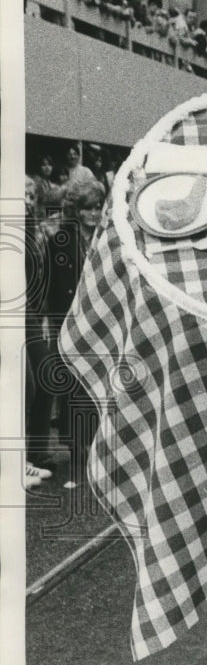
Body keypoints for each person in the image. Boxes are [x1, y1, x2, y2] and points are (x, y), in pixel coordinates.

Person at [48, 179, 106, 489]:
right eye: (88, 208)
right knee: (72, 388)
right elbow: (54, 286)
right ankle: (75, 454)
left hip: (98, 322)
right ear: (75, 210)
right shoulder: (61, 239)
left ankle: (96, 448)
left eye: (98, 207)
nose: (95, 213)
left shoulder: (104, 238)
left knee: (97, 387)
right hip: (69, 322)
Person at [24, 176, 55, 488]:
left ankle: (37, 453)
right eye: (21, 194)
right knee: (26, 386)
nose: (27, 199)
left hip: (31, 313)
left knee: (44, 377)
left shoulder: (37, 231)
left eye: (31, 194)